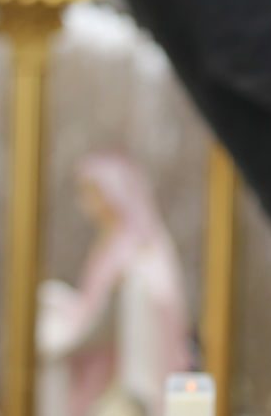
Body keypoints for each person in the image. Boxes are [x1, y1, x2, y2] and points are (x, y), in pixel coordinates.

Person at [36, 151, 196, 416]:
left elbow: (156, 293)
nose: (86, 203)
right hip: (97, 358)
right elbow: (91, 304)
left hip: (121, 367)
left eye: (92, 193)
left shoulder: (139, 243)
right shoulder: (108, 243)